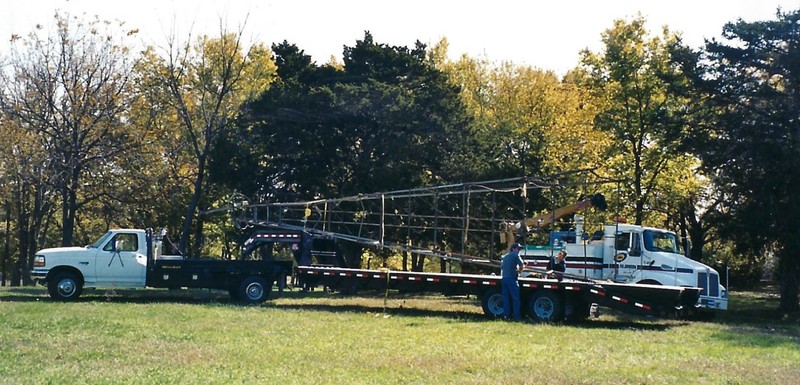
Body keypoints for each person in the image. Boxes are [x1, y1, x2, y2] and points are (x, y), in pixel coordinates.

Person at [501, 242, 525, 321]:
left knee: (506, 299)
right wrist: (519, 271)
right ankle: (516, 317)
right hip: (512, 280)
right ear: (514, 249)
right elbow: (521, 265)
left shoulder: (505, 256)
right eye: (518, 249)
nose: (519, 250)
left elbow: (502, 267)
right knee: (515, 299)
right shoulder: (515, 255)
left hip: (504, 279)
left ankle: (506, 316)